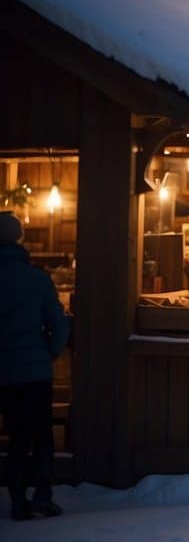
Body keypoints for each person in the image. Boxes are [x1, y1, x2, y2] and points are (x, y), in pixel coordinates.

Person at [1, 212, 70, 520]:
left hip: (4, 372)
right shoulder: (37, 279)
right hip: (35, 371)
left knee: (14, 435)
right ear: (20, 239)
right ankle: (42, 494)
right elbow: (59, 323)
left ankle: (16, 498)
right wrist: (50, 353)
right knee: (41, 435)